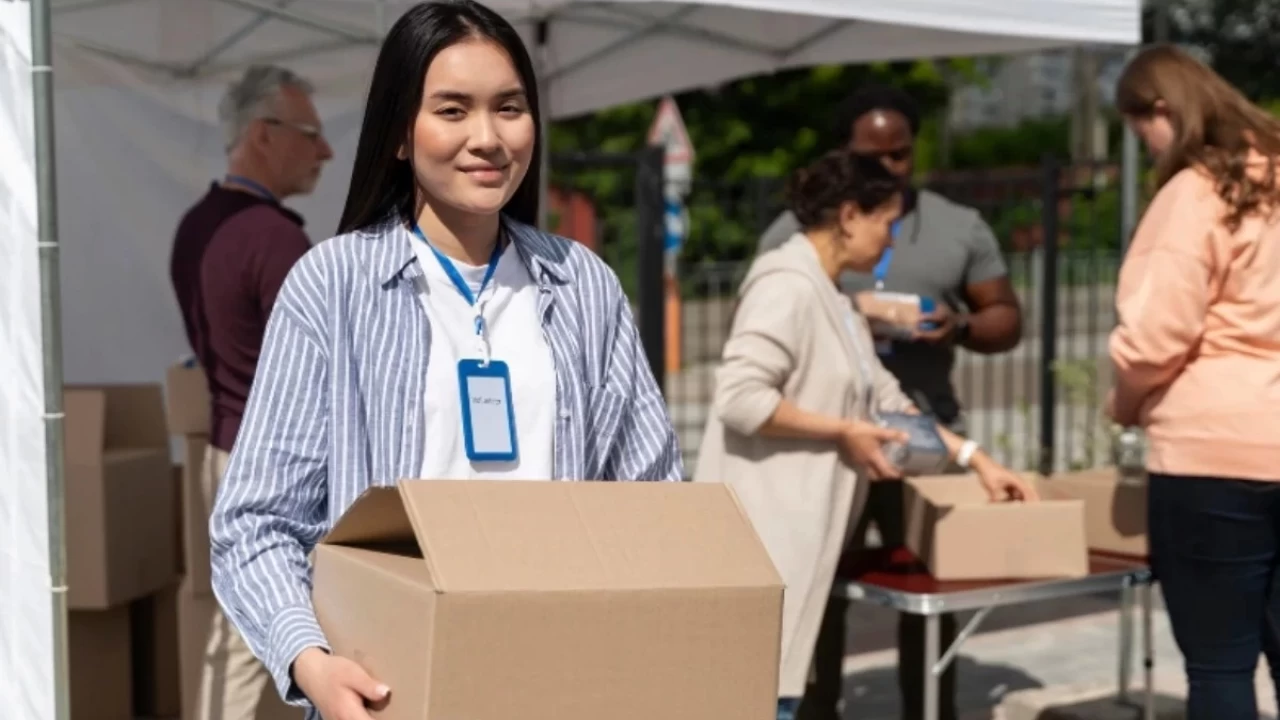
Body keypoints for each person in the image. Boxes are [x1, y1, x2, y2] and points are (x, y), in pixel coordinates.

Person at [207, 2, 683, 718]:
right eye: (452, 110)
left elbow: (653, 496)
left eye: (510, 108)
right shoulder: (334, 285)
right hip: (394, 684)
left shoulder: (583, 285)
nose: (487, 138)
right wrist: (311, 664)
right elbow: (255, 522)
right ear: (401, 132)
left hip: (565, 673)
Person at [695, 148, 1038, 720]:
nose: (893, 241)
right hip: (765, 545)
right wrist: (843, 433)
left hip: (796, 546)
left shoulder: (833, 298)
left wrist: (976, 458)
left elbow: (888, 400)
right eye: (887, 223)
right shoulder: (786, 287)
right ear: (850, 215)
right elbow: (739, 399)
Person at [1109, 44, 1280, 720]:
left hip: (1212, 455)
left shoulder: (1197, 192)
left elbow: (1155, 336)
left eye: (1138, 129)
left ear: (1160, 110)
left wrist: (1123, 405)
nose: (1145, 146)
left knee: (1219, 668)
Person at [169, 64, 333, 720]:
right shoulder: (275, 239)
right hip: (269, 467)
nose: (324, 150)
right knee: (256, 634)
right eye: (310, 134)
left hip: (223, 450)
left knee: (231, 627)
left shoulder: (197, 225)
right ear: (263, 134)